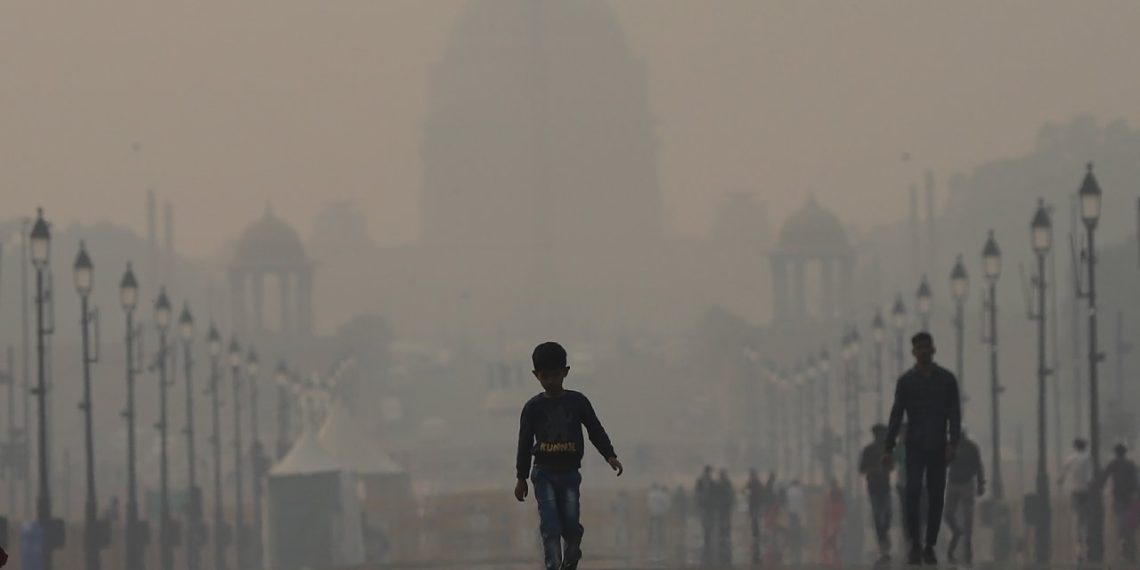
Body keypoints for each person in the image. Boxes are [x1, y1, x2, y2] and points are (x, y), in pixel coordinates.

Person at [514, 341, 624, 570]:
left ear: (565, 372)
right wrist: (521, 477)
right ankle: (553, 565)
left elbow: (594, 429)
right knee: (550, 526)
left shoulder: (577, 402)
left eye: (555, 375)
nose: (551, 381)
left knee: (571, 525)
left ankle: (573, 549)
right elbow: (524, 443)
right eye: (545, 377)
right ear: (536, 375)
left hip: (570, 474)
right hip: (543, 472)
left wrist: (609, 455)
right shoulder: (532, 408)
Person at [883, 332, 962, 565]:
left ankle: (930, 544)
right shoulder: (906, 382)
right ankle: (915, 542)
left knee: (937, 495)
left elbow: (954, 414)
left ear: (933, 350)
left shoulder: (947, 380)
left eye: (927, 347)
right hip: (915, 445)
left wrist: (953, 442)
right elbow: (896, 415)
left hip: (938, 444)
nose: (924, 351)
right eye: (920, 348)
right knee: (913, 491)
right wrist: (888, 448)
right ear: (914, 352)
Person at [944, 426, 984, 564]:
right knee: (948, 513)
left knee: (968, 516)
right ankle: (956, 531)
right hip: (953, 482)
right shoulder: (949, 446)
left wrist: (980, 483)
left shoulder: (972, 448)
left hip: (967, 483)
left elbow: (978, 465)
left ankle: (967, 542)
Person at [1097, 443, 1139, 562]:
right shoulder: (1131, 464)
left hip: (1119, 496)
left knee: (1120, 518)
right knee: (1130, 520)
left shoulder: (1113, 464)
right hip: (1131, 496)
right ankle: (1129, 541)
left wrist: (1097, 486)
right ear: (1125, 452)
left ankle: (1123, 541)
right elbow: (1135, 479)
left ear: (1115, 453)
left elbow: (1103, 477)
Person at [860, 423, 894, 561]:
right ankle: (882, 541)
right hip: (873, 487)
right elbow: (862, 469)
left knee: (888, 515)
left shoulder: (887, 450)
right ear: (877, 434)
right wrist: (875, 469)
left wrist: (885, 468)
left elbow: (891, 466)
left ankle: (884, 536)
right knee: (877, 515)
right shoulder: (868, 450)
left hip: (885, 486)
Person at [1057, 438, 1093, 562]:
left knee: (1077, 517)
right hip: (1086, 491)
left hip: (1075, 491)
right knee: (1087, 516)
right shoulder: (1088, 457)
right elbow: (1090, 475)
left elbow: (1063, 474)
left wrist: (1061, 481)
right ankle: (1088, 539)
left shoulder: (1070, 458)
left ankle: (1078, 545)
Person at [695, 466, 717, 566]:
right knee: (708, 523)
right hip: (708, 506)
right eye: (710, 472)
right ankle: (707, 537)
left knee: (706, 523)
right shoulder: (710, 482)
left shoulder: (701, 481)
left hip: (705, 506)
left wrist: (700, 503)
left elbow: (697, 493)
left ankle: (706, 537)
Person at [821, 477, 846, 566]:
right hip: (836, 516)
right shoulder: (839, 492)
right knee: (836, 532)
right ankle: (834, 545)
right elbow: (843, 504)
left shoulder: (829, 493)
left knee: (834, 532)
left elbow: (827, 505)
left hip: (833, 516)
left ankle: (833, 544)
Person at [714, 469, 736, 566]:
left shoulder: (725, 484)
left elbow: (730, 495)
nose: (721, 477)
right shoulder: (724, 484)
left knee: (725, 523)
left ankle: (725, 537)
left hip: (724, 507)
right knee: (723, 523)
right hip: (722, 507)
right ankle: (724, 537)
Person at [745, 469, 767, 564]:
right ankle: (756, 534)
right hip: (753, 504)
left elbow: (761, 492)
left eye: (753, 475)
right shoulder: (752, 483)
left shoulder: (756, 483)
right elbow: (746, 491)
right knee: (754, 519)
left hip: (756, 504)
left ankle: (756, 534)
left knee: (756, 519)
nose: (752, 477)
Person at [646, 483, 671, 563]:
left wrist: (651, 511)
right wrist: (665, 512)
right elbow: (666, 505)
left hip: (653, 514)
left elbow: (648, 505)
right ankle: (660, 540)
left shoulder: (650, 495)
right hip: (661, 514)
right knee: (661, 528)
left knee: (654, 528)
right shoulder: (663, 495)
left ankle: (654, 540)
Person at [785, 479, 805, 564]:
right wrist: (802, 511)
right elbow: (801, 503)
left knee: (791, 524)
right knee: (797, 525)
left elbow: (786, 501)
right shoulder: (799, 492)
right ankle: (797, 537)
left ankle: (792, 537)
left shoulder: (789, 491)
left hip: (790, 511)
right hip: (797, 512)